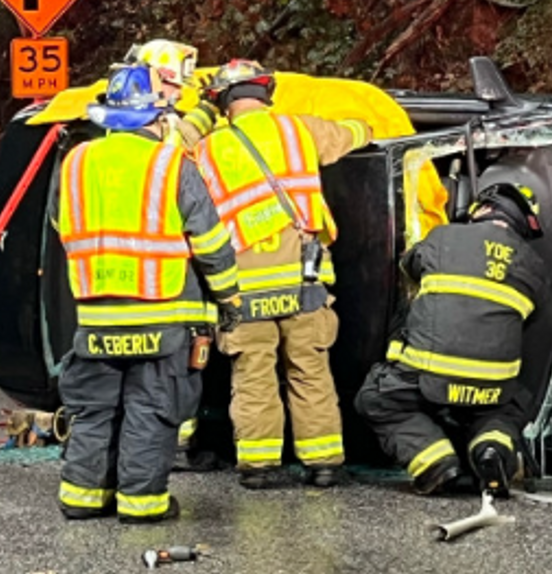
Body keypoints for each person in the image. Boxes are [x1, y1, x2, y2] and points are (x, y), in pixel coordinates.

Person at [54, 64, 241, 524]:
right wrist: (228, 299)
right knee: (151, 409)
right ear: (156, 119)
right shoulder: (170, 164)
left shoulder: (76, 161)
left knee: (94, 410)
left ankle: (82, 498)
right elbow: (210, 241)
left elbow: (63, 225)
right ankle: (142, 503)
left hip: (95, 316)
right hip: (160, 316)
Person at [193, 59, 372, 489]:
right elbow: (354, 134)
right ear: (265, 92)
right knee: (310, 368)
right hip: (302, 279)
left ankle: (259, 467)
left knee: (253, 373)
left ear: (222, 103)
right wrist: (366, 124)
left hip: (241, 286)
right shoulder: (299, 131)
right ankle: (325, 463)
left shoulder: (207, 149)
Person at [355, 182, 546, 496]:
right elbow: (531, 320)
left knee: (376, 400)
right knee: (508, 410)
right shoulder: (534, 266)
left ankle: (435, 462)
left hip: (430, 372)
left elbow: (408, 265)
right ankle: (491, 449)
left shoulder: (444, 235)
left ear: (483, 208)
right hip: (491, 386)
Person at [127, 38, 218, 147]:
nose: (179, 94)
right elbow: (176, 145)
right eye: (175, 86)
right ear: (155, 80)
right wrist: (208, 109)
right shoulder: (138, 122)